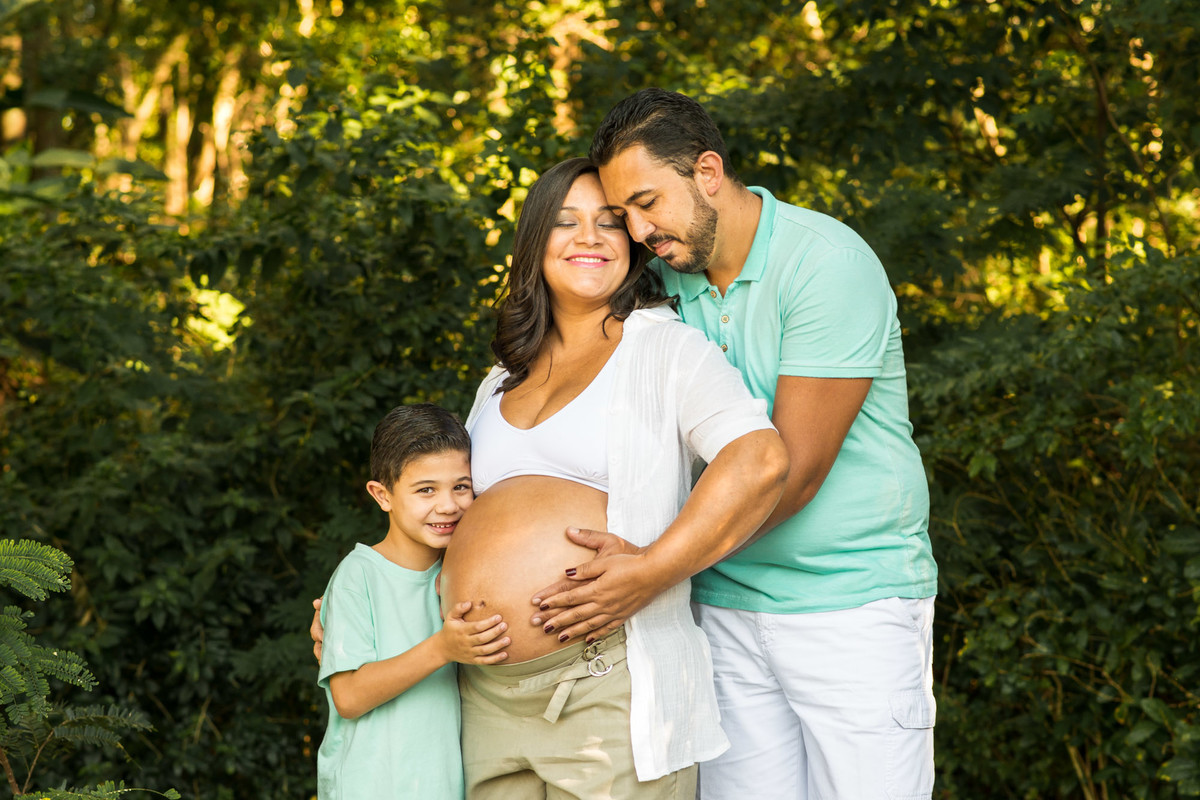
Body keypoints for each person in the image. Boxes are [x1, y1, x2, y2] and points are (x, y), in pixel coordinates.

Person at [530, 89, 940, 800]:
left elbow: (795, 470)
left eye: (649, 202)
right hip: (716, 609)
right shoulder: (660, 284)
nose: (638, 229)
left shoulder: (825, 264)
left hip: (848, 607)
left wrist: (655, 566)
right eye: (625, 215)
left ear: (709, 171)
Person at [439, 157, 787, 799]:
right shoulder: (499, 380)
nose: (591, 238)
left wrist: (655, 567)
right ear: (534, 242)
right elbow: (446, 521)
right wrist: (367, 607)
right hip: (482, 694)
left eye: (609, 223)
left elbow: (757, 460)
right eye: (566, 222)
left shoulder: (665, 349)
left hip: (610, 684)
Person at [316, 404, 511, 800]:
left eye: (461, 486)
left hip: (441, 785)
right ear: (382, 495)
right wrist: (442, 648)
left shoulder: (461, 576)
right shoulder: (358, 576)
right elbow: (349, 697)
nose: (448, 505)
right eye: (426, 490)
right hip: (371, 785)